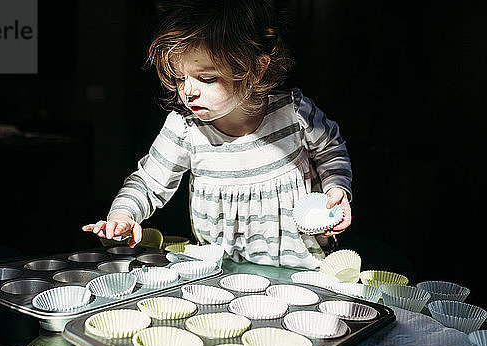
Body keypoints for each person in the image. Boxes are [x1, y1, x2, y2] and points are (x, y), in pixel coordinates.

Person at [82, 0, 352, 269]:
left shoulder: (294, 113)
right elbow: (148, 182)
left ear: (256, 68)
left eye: (207, 78)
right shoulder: (185, 129)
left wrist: (336, 187)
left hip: (301, 267)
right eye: (179, 78)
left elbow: (330, 149)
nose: (188, 92)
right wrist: (123, 213)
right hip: (222, 273)